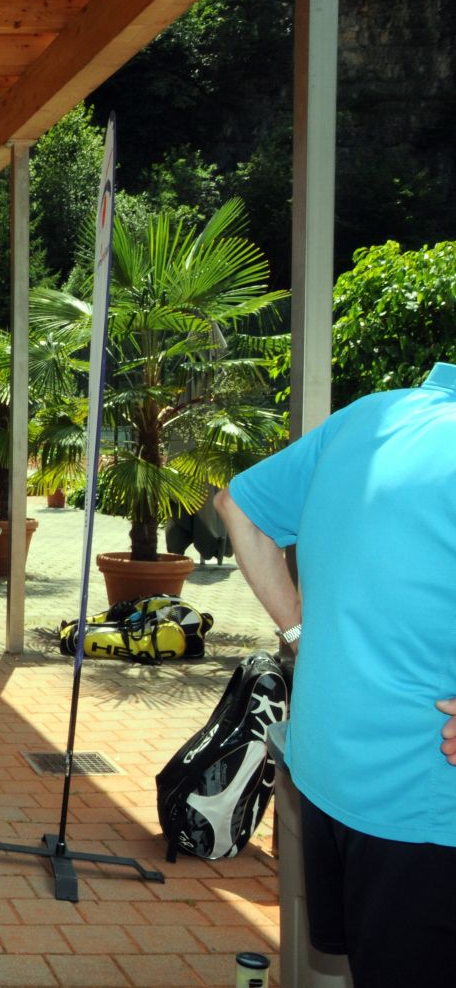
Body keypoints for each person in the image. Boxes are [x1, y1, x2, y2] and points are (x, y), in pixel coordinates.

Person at [216, 361, 456, 985]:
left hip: (331, 776)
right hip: (425, 800)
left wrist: (299, 632)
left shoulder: (371, 415)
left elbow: (236, 505)